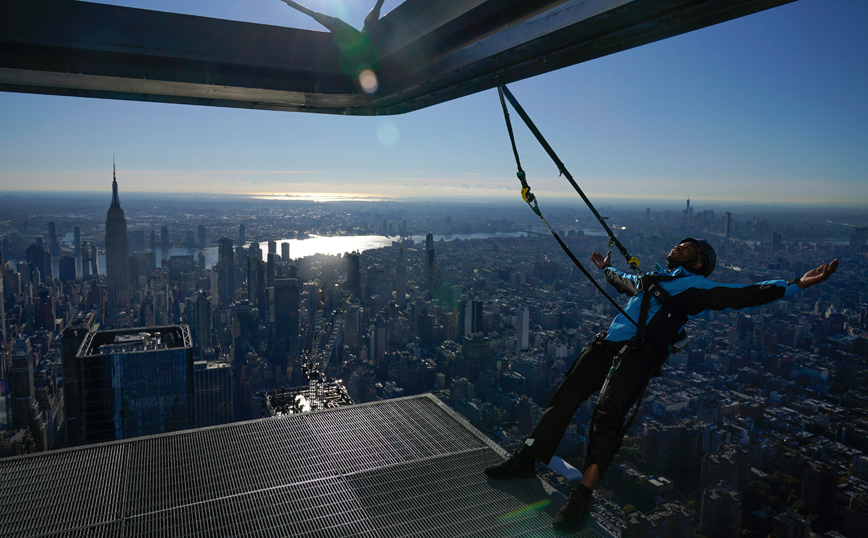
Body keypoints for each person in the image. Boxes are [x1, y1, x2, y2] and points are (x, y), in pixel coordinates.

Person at [484, 238, 838, 530]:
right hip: (605, 345)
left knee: (608, 416)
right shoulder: (654, 278)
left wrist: (796, 285)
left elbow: (741, 295)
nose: (681, 245)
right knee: (564, 399)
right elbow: (625, 281)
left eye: (690, 247)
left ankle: (582, 500)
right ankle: (527, 458)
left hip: (639, 354)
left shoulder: (696, 286)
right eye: (681, 243)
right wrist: (605, 268)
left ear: (700, 264)